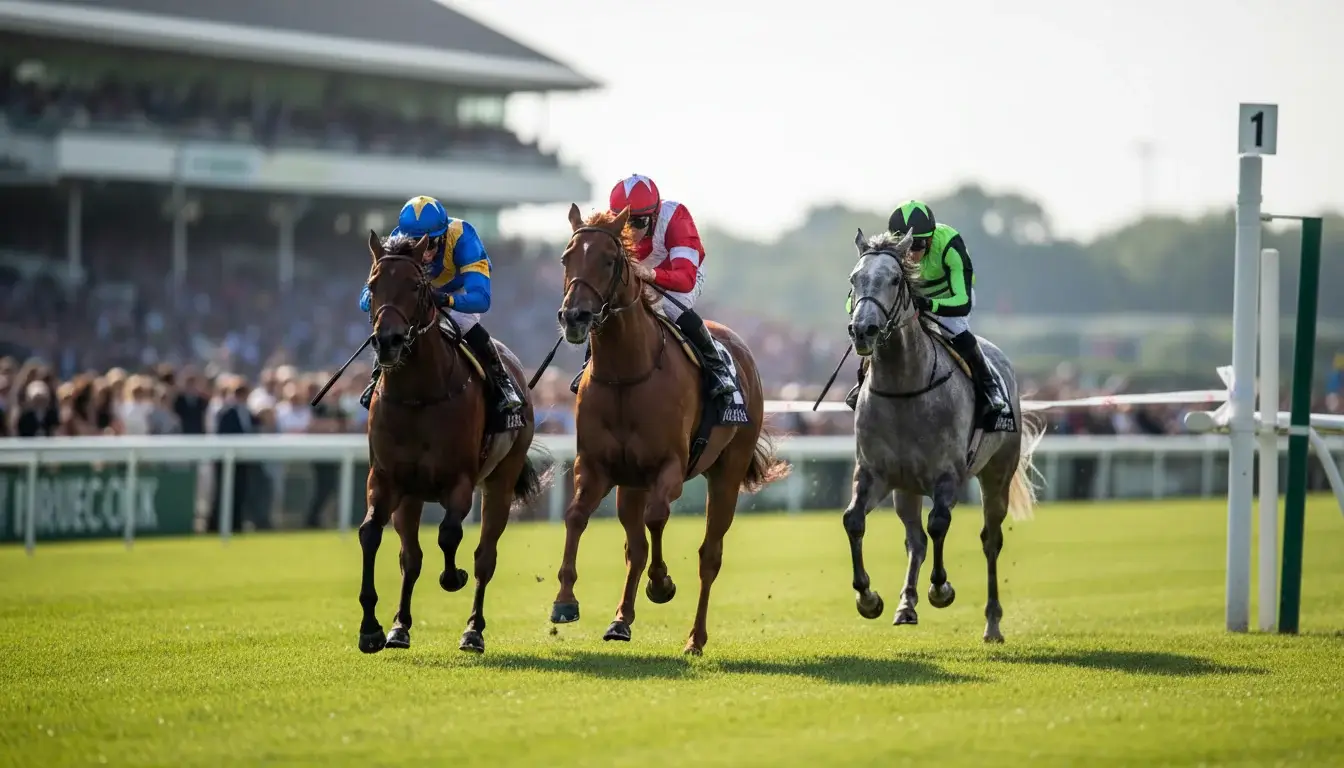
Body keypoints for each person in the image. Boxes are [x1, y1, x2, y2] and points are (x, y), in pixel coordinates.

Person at [569, 174, 738, 409]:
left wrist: (651, 275)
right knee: (607, 307)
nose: (630, 230)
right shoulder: (610, 224)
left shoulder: (676, 218)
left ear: (655, 214)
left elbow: (685, 278)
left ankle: (717, 367)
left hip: (682, 273)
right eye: (625, 221)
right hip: (638, 274)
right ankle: (589, 364)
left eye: (639, 223)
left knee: (669, 307)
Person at [845, 200, 1012, 423]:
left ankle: (991, 388)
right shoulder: (886, 253)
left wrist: (929, 305)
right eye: (906, 244)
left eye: (918, 245)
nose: (911, 253)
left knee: (956, 329)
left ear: (932, 237)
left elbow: (962, 302)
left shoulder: (950, 243)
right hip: (909, 298)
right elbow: (853, 301)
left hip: (948, 296)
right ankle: (862, 383)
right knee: (883, 331)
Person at [358, 195, 524, 417]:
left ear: (443, 235)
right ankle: (376, 379)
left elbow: (481, 299)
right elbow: (365, 298)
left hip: (456, 293)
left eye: (430, 244)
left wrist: (445, 300)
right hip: (415, 295)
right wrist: (379, 300)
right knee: (390, 327)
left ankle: (503, 385)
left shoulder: (464, 237)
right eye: (414, 245)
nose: (423, 254)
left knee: (465, 324)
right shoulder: (395, 242)